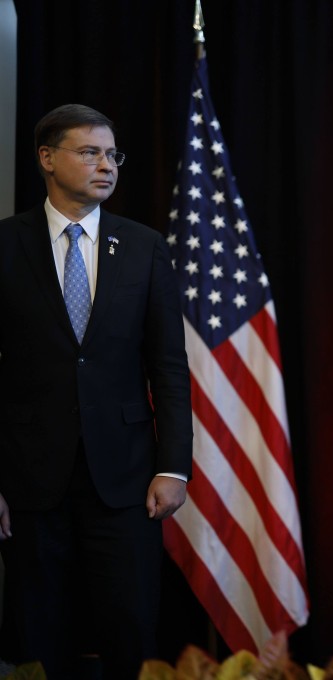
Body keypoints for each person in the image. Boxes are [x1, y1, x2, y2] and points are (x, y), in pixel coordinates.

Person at [0, 104, 193, 678]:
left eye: (112, 154)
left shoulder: (143, 246)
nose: (106, 165)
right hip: (31, 478)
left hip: (128, 478)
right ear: (47, 159)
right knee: (42, 634)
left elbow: (169, 365)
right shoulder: (7, 245)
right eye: (90, 152)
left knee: (128, 628)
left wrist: (174, 467)